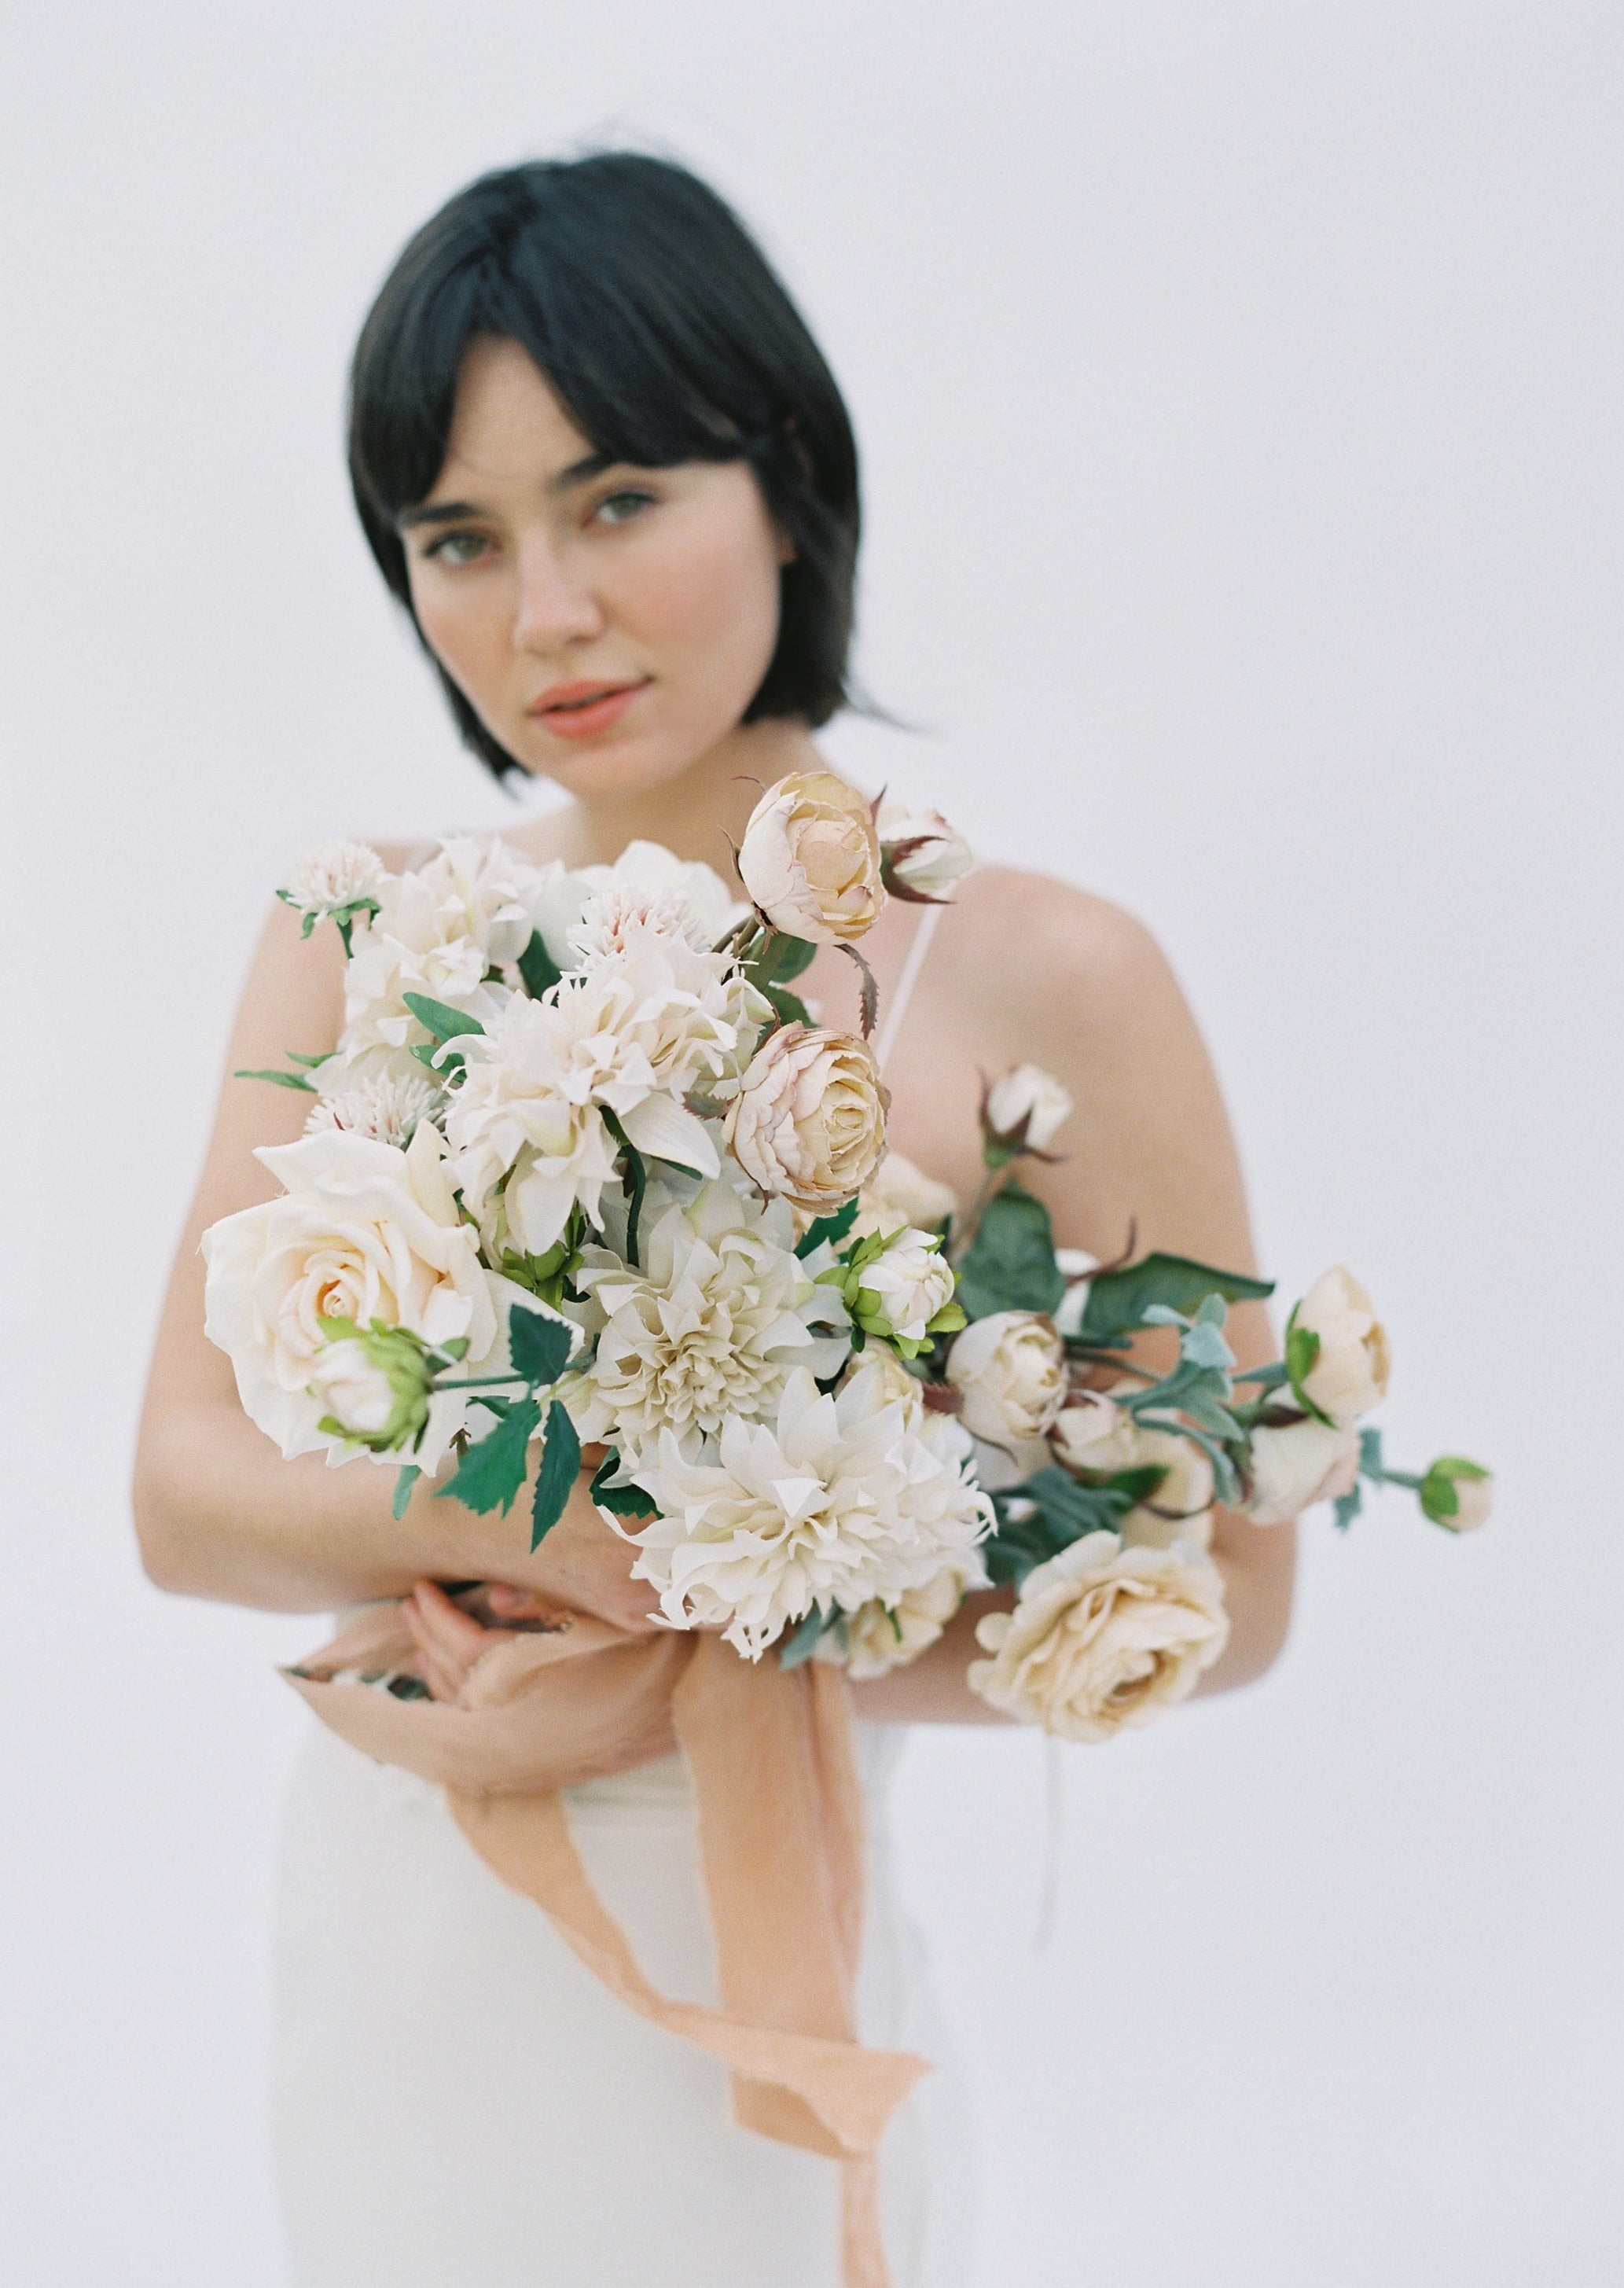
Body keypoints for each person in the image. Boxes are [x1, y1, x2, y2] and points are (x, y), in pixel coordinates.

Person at [133, 151, 1295, 2288]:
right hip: (407, 1925)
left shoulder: (1053, 976)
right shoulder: (359, 926)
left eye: (617, 500)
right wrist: (558, 1539)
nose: (540, 614)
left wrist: (764, 1622)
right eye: (455, 539)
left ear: (782, 481)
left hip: (758, 1910)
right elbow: (187, 1495)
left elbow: (1224, 1582)